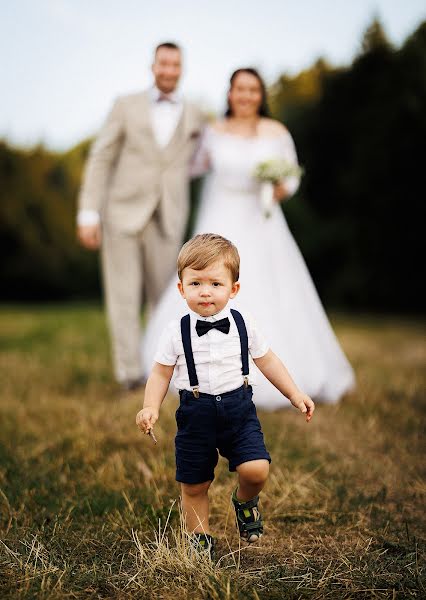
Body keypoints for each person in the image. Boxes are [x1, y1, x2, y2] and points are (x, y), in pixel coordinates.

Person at [142, 67, 355, 408]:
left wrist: (281, 188)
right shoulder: (213, 131)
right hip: (221, 217)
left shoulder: (276, 131)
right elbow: (192, 166)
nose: (246, 96)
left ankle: (280, 371)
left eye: (253, 90)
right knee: (209, 275)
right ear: (230, 93)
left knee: (273, 286)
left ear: (261, 94)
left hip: (263, 220)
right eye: (239, 89)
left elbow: (292, 174)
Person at [136, 234, 315, 558]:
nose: (205, 291)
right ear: (181, 289)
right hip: (195, 413)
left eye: (216, 284)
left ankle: (245, 502)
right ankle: (199, 536)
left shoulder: (244, 324)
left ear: (233, 289)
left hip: (238, 411)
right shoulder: (176, 331)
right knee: (194, 484)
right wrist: (151, 406)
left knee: (256, 469)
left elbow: (268, 360)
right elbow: (161, 373)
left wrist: (294, 393)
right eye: (195, 283)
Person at [77, 42, 205, 390]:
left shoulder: (196, 114)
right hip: (121, 212)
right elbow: (101, 157)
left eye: (175, 65)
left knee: (165, 298)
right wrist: (88, 212)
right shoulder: (126, 105)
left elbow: (201, 159)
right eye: (162, 64)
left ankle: (161, 370)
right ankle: (128, 375)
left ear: (182, 68)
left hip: (169, 215)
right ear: (153, 67)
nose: (168, 70)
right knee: (123, 297)